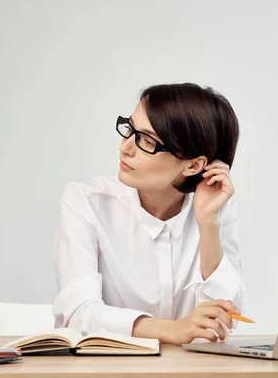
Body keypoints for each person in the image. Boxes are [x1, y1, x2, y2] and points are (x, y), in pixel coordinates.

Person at [52, 82, 247, 345]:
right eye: (130, 129)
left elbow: (224, 320)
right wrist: (173, 330)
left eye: (146, 140)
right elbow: (78, 312)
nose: (125, 147)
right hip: (103, 369)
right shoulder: (86, 201)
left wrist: (208, 224)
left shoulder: (214, 208)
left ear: (193, 165)